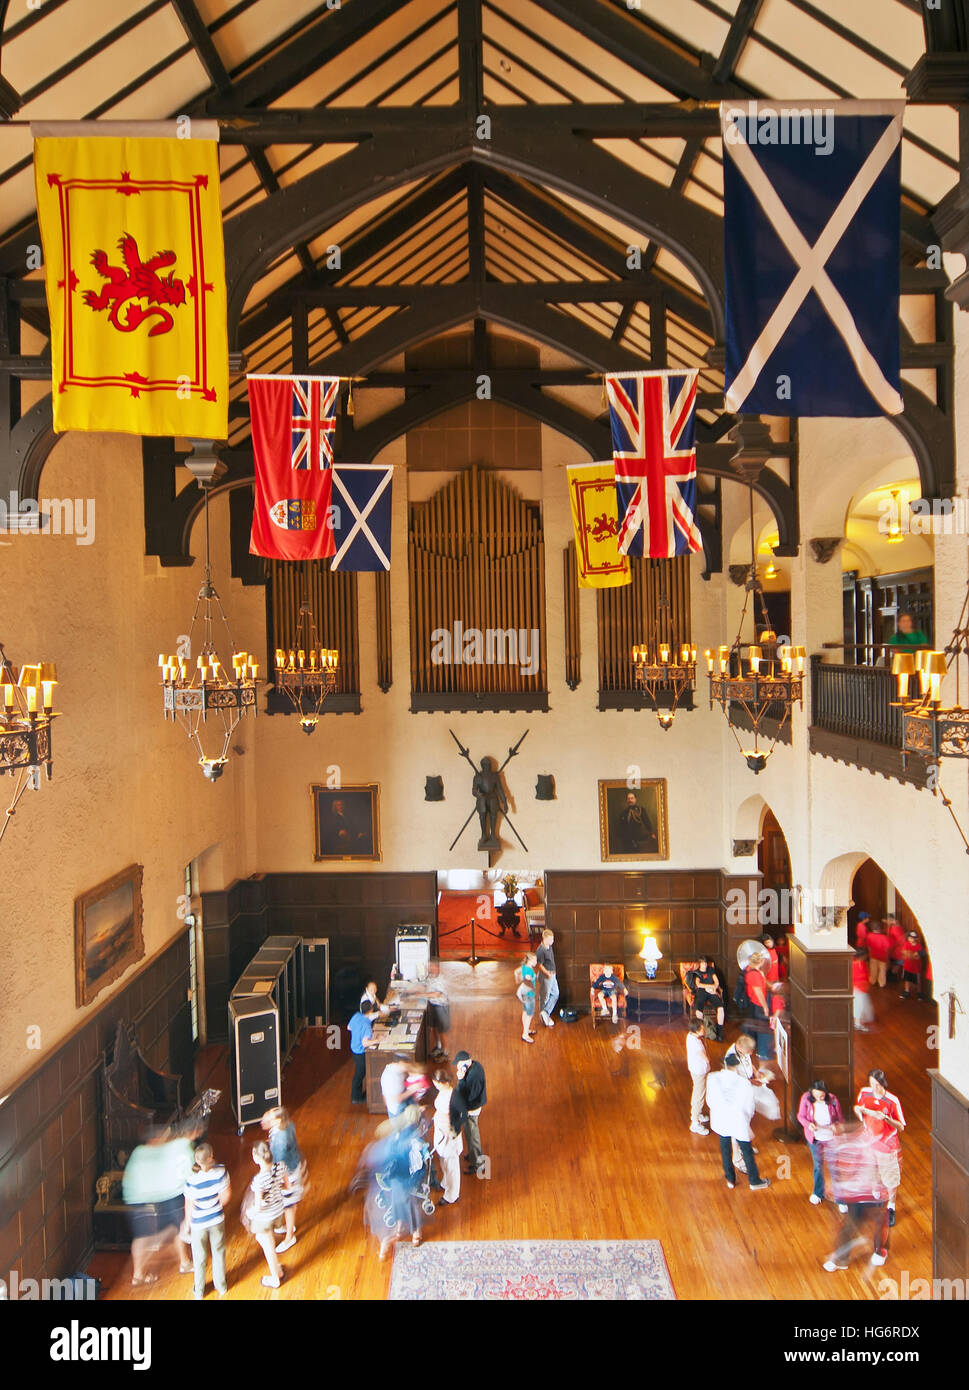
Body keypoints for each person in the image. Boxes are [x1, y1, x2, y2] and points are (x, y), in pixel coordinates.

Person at [121, 1125, 195, 1287]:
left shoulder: (139, 1152)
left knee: (142, 1238)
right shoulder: (167, 1149)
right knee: (177, 1229)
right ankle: (184, 1262)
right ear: (155, 1139)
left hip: (137, 1199)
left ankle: (138, 1274)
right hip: (164, 1196)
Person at [822, 1125, 891, 1271]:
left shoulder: (872, 1146)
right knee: (851, 1226)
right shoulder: (851, 1146)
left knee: (874, 1222)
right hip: (856, 1195)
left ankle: (880, 1251)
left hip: (872, 1195)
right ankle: (842, 1259)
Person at [706, 1055, 770, 1191]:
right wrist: (747, 1118)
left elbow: (710, 1100)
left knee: (725, 1149)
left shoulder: (712, 1077)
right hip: (738, 1120)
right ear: (737, 1067)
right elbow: (749, 1106)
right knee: (746, 1151)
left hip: (721, 1119)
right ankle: (754, 1180)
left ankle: (730, 1179)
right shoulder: (743, 1083)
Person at [855, 1069, 905, 1226]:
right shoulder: (864, 1093)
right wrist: (860, 1111)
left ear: (882, 1083)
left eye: (877, 1084)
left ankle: (891, 1207)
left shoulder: (892, 1101)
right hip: (869, 1142)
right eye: (871, 1083)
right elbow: (858, 1110)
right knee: (871, 1172)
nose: (873, 1087)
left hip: (886, 1146)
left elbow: (901, 1126)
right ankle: (875, 1198)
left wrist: (886, 1119)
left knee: (890, 1179)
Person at [183, 1142, 230, 1300]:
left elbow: (189, 1204)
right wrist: (216, 1204)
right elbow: (226, 1196)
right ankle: (221, 1285)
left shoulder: (191, 1180)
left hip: (198, 1224)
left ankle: (199, 1290)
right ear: (210, 1157)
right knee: (218, 1252)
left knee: (199, 1258)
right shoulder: (221, 1172)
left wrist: (187, 1223)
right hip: (216, 1219)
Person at [246, 1141, 291, 1289]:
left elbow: (258, 1207)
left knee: (267, 1245)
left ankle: (275, 1277)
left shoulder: (259, 1180)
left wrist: (249, 1212)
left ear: (256, 1157)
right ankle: (276, 1268)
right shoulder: (280, 1166)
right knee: (266, 1239)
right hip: (278, 1210)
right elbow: (287, 1186)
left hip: (265, 1216)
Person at [262, 1106, 305, 1253]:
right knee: (285, 1202)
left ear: (278, 1120)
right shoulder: (288, 1125)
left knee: (289, 1205)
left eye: (270, 1118)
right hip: (293, 1167)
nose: (267, 1119)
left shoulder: (280, 1140)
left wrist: (274, 1179)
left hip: (288, 1175)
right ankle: (285, 1225)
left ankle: (289, 1236)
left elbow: (278, 1163)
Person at [797, 1081, 843, 1206]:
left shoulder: (833, 1100)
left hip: (831, 1138)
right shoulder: (806, 1099)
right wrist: (808, 1125)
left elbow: (840, 1120)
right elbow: (801, 1116)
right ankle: (818, 1192)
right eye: (816, 1096)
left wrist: (836, 1126)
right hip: (815, 1139)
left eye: (822, 1096)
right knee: (818, 1166)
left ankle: (841, 1199)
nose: (819, 1098)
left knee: (834, 1167)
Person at [431, 1067, 465, 1206]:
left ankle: (452, 1194)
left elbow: (463, 1114)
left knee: (451, 1165)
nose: (436, 1086)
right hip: (440, 1131)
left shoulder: (454, 1096)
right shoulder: (442, 1092)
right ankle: (446, 1183)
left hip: (449, 1135)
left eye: (437, 1083)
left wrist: (454, 1130)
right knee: (443, 1161)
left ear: (444, 1082)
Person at [455, 1050, 487, 1176]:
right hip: (473, 1107)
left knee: (472, 1136)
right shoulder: (476, 1066)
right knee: (469, 1134)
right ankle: (473, 1155)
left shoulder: (473, 1076)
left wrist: (461, 1080)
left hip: (471, 1109)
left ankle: (478, 1165)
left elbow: (465, 1095)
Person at [686, 956, 724, 1039]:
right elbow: (698, 984)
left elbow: (716, 982)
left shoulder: (710, 970)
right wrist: (710, 985)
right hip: (701, 992)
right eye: (703, 963)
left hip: (711, 991)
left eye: (705, 963)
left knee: (720, 1008)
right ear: (699, 964)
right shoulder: (696, 973)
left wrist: (714, 987)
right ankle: (701, 1030)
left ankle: (720, 1032)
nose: (705, 964)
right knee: (699, 1011)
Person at [348, 999, 378, 1103]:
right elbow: (365, 1043)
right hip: (360, 1051)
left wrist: (358, 1031)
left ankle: (357, 1094)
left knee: (359, 1072)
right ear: (371, 1010)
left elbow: (349, 1027)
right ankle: (356, 1097)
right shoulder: (367, 1025)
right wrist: (377, 1040)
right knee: (360, 1073)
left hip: (354, 1047)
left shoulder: (356, 1016)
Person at [744, 950, 771, 1058]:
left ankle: (752, 1047)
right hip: (758, 1004)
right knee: (762, 1028)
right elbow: (758, 992)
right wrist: (765, 1007)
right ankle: (761, 1051)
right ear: (760, 961)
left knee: (755, 1026)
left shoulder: (752, 970)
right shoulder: (754, 975)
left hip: (754, 1003)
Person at [686, 1018, 711, 1136]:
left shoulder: (690, 1036)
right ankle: (695, 1122)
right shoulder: (696, 1043)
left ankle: (698, 1113)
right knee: (699, 1096)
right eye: (701, 1028)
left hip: (695, 1069)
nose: (704, 1029)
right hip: (699, 1071)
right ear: (696, 1030)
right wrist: (707, 1059)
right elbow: (705, 1057)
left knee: (698, 1092)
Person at [535, 928, 559, 1027]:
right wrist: (547, 974)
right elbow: (539, 965)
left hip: (552, 974)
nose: (552, 941)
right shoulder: (540, 950)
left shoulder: (549, 947)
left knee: (555, 994)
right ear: (545, 938)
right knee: (544, 996)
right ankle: (544, 1017)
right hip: (546, 976)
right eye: (551, 939)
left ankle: (545, 1012)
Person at [428, 968, 451, 1060]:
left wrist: (421, 994)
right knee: (434, 1027)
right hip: (433, 1004)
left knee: (442, 1030)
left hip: (441, 1006)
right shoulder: (430, 977)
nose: (429, 968)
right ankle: (438, 1047)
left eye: (431, 966)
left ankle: (445, 1053)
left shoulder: (441, 980)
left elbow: (437, 994)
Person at [516, 952, 538, 1042]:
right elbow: (527, 978)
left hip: (525, 994)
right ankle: (525, 1034)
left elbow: (517, 973)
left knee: (525, 1011)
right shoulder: (529, 970)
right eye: (535, 960)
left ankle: (526, 1029)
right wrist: (530, 978)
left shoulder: (524, 967)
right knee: (530, 1014)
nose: (536, 962)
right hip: (529, 994)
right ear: (530, 960)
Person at [852, 947, 875, 1032]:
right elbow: (860, 977)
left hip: (859, 988)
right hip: (859, 988)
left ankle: (858, 1022)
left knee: (860, 1006)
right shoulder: (859, 965)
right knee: (859, 1006)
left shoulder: (856, 964)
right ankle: (857, 1024)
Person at [865, 920, 890, 989]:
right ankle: (881, 983)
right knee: (882, 970)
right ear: (880, 928)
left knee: (873, 969)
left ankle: (872, 981)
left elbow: (869, 946)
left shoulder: (869, 936)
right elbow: (887, 948)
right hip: (882, 956)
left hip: (873, 955)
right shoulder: (884, 937)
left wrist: (870, 953)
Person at [899, 931, 923, 1000]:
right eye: (910, 938)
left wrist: (910, 954)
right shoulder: (906, 944)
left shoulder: (919, 946)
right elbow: (903, 952)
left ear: (916, 938)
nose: (911, 939)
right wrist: (910, 954)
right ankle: (907, 991)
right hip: (907, 966)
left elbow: (918, 956)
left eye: (913, 938)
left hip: (916, 967)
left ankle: (919, 992)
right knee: (907, 980)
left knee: (918, 981)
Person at [886, 917, 906, 982]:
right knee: (896, 965)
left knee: (894, 964)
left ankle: (891, 977)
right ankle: (892, 978)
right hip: (898, 952)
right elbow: (901, 941)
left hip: (894, 951)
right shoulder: (896, 929)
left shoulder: (892, 928)